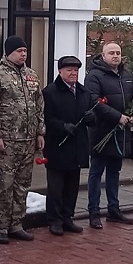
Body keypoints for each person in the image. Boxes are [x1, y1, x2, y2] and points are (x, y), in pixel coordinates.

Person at [0, 35, 45, 244]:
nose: (23, 54)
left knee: (22, 185)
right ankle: (0, 226)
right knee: (5, 185)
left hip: (28, 140)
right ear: (8, 52)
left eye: (25, 51)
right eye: (19, 51)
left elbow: (39, 106)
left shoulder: (31, 76)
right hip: (8, 140)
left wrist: (40, 132)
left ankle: (16, 224)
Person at [83, 41, 133, 229]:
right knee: (96, 173)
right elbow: (93, 101)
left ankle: (114, 209)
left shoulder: (127, 76)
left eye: (118, 52)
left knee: (115, 172)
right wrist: (117, 117)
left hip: (121, 134)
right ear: (103, 55)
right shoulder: (94, 76)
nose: (115, 56)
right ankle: (94, 212)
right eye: (111, 53)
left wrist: (132, 116)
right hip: (101, 133)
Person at [42, 56, 93, 236]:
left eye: (76, 70)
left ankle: (67, 217)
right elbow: (46, 118)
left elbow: (92, 113)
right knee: (56, 187)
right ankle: (54, 220)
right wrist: (62, 126)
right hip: (58, 146)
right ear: (60, 71)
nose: (73, 73)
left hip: (77, 146)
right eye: (69, 70)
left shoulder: (83, 92)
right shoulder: (50, 92)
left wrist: (91, 118)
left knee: (72, 185)